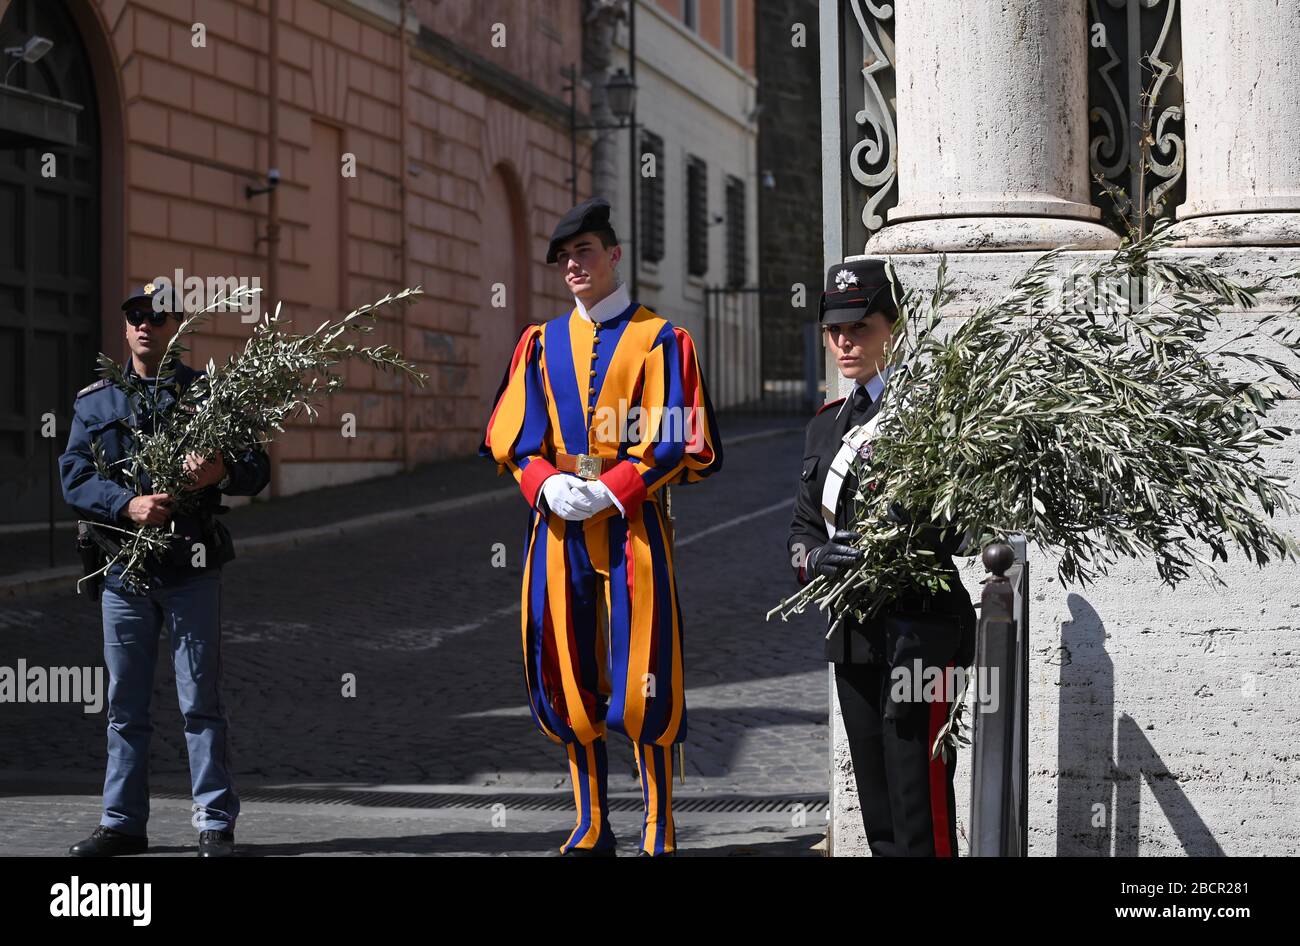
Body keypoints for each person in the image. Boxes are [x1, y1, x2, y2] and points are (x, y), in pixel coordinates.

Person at [481, 197, 723, 856]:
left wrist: (613, 490)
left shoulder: (662, 340)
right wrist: (546, 485)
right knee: (566, 666)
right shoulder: (539, 343)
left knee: (645, 672)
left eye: (584, 252)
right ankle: (591, 821)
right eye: (564, 258)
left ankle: (658, 824)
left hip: (634, 528)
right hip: (558, 531)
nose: (573, 267)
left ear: (614, 255)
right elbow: (513, 439)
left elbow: (678, 439)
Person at [59, 282, 270, 857]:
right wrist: (126, 505)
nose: (146, 324)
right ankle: (123, 823)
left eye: (158, 315)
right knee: (124, 704)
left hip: (190, 568)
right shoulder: (94, 402)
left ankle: (214, 823)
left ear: (175, 326)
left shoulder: (208, 397)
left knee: (199, 699)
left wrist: (218, 471)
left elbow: (256, 468)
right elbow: (74, 477)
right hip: (123, 573)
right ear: (125, 328)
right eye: (135, 315)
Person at [787, 259, 978, 857]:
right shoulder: (824, 428)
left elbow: (967, 526)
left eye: (861, 328)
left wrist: (917, 526)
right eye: (835, 331)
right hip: (854, 634)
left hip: (920, 629)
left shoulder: (929, 414)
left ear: (891, 330)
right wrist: (814, 560)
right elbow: (801, 526)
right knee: (876, 804)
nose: (845, 342)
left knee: (919, 798)